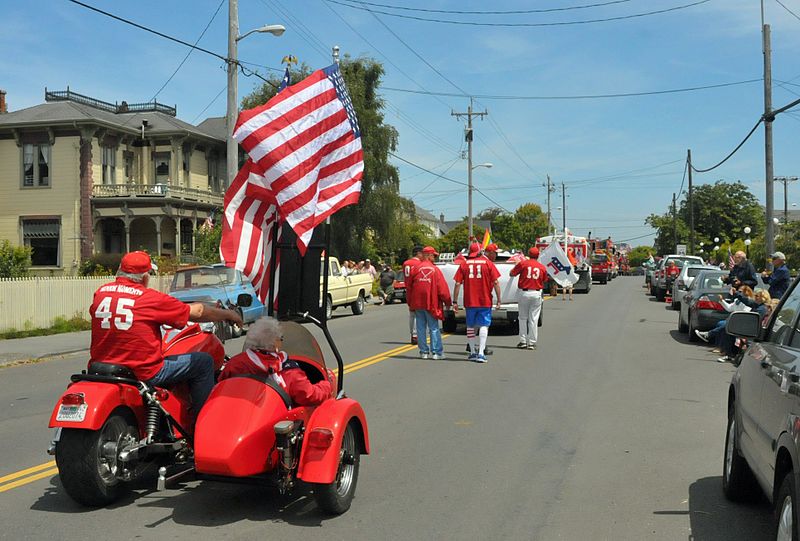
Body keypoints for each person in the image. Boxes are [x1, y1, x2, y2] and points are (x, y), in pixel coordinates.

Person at [89, 251, 244, 413]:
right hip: (143, 372)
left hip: (101, 368)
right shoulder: (149, 298)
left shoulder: (101, 293)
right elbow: (197, 312)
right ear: (145, 277)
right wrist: (229, 314)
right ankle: (202, 422)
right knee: (204, 361)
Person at [219, 317, 333, 406]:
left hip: (241, 414)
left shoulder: (234, 364)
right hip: (275, 422)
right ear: (275, 343)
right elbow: (307, 395)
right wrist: (327, 385)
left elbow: (222, 385)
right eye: (280, 339)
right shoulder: (287, 368)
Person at [453, 242, 501, 363]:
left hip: (470, 300)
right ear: (481, 252)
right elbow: (495, 282)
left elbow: (457, 283)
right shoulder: (488, 263)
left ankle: (473, 352)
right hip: (484, 299)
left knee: (470, 325)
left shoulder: (464, 264)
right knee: (484, 325)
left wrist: (455, 301)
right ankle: (481, 353)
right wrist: (499, 299)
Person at [407, 246, 452, 360]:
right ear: (428, 255)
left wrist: (410, 303)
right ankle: (437, 352)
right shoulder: (435, 270)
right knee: (434, 327)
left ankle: (423, 352)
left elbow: (409, 288)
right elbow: (442, 289)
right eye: (434, 256)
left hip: (417, 303)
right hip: (431, 303)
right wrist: (448, 301)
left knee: (420, 327)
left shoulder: (415, 269)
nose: (435, 258)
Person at [509, 247, 548, 350]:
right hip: (536, 293)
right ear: (538, 255)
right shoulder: (542, 267)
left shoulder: (523, 264)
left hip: (524, 293)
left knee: (522, 318)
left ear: (528, 254)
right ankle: (531, 342)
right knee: (533, 319)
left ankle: (522, 341)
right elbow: (545, 279)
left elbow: (512, 273)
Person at [402, 246, 424, 345]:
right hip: (416, 290)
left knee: (412, 314)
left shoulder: (406, 263)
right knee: (418, 314)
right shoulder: (419, 263)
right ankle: (416, 335)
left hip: (408, 290)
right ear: (418, 253)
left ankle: (413, 334)